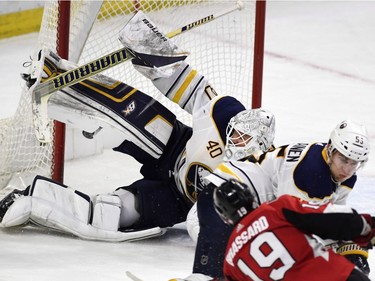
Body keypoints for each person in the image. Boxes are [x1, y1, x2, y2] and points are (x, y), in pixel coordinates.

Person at [0, 9, 275, 257]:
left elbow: (206, 224)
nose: (237, 139)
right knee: (130, 116)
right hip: (174, 147)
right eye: (238, 133)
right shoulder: (224, 112)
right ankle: (57, 80)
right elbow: (187, 84)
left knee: (114, 213)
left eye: (246, 140)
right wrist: (152, 50)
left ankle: (33, 199)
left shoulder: (254, 176)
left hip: (176, 200)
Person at [189, 119, 371, 279]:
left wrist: (352, 249)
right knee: (213, 275)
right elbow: (300, 231)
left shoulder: (340, 175)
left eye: (353, 163)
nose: (347, 169)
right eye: (343, 159)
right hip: (224, 199)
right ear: (330, 149)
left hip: (245, 210)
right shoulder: (311, 171)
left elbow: (332, 219)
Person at [212, 178, 375, 281]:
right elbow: (329, 217)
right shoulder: (275, 209)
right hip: (335, 276)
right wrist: (366, 228)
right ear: (250, 197)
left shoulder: (230, 261)